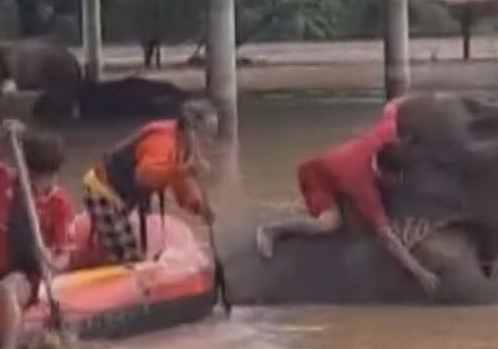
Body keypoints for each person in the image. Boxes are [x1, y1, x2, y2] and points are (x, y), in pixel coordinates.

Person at [255, 100, 439, 296]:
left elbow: (391, 109)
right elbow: (387, 237)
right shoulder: (363, 186)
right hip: (318, 177)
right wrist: (419, 271)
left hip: (340, 164)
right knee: (330, 223)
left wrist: (420, 98)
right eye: (395, 178)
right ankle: (272, 230)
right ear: (383, 174)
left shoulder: (385, 134)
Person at [0, 120, 77, 349]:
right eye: (32, 175)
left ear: (54, 174)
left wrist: (48, 259)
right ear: (23, 167)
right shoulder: (1, 177)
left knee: (6, 290)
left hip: (23, 275)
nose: (37, 183)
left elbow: (63, 258)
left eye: (43, 177)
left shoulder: (59, 203)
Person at [80, 99, 218, 267]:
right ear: (190, 130)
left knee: (130, 246)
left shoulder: (183, 148)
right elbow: (144, 175)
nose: (209, 141)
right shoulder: (162, 140)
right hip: (102, 190)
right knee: (127, 254)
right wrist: (182, 171)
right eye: (206, 134)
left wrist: (201, 208)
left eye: (212, 134)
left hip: (122, 194)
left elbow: (182, 187)